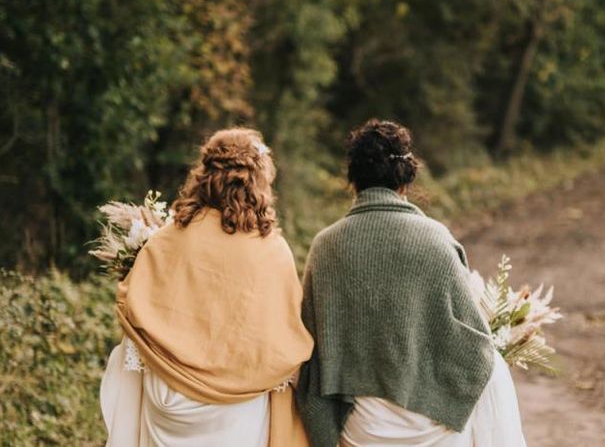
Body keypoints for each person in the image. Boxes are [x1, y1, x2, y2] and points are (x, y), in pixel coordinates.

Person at [297, 118, 527, 447]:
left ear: (354, 180)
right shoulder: (437, 241)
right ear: (406, 177)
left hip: (362, 430)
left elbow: (309, 354)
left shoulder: (324, 247)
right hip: (437, 427)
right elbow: (475, 346)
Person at [100, 128, 313, 447]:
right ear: (259, 182)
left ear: (204, 175)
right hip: (238, 416)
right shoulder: (273, 253)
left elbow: (133, 313)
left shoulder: (166, 240)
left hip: (166, 406)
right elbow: (283, 345)